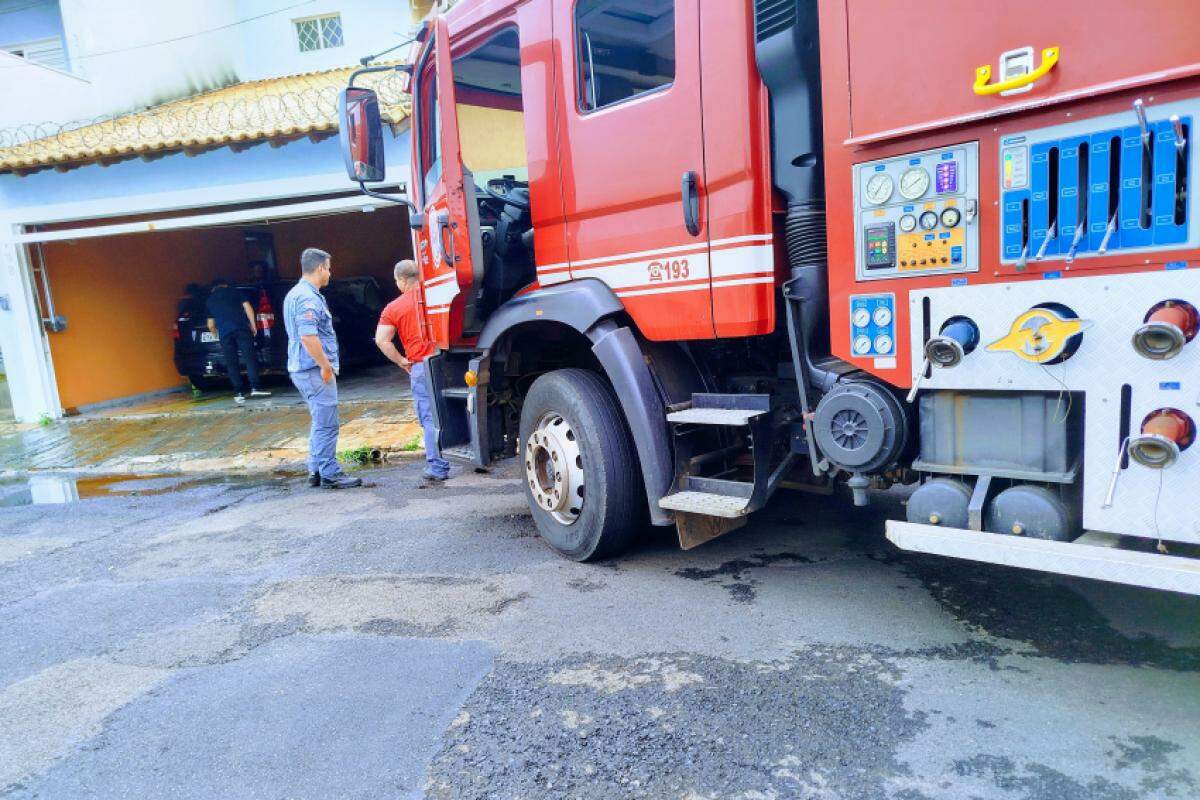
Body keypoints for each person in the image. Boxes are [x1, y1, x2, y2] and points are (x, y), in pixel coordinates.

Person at [283, 248, 362, 489]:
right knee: (327, 422)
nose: (330, 272)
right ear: (319, 268)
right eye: (328, 267)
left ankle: (315, 469)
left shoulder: (296, 294)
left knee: (320, 420)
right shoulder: (307, 297)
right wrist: (325, 366)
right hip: (312, 370)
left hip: (303, 368)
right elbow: (308, 337)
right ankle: (330, 473)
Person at [375, 259, 450, 482]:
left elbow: (382, 340)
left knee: (429, 417)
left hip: (421, 366)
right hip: (447, 361)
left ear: (402, 280)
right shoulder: (439, 297)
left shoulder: (394, 307)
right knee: (456, 410)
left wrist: (401, 360)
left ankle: (438, 467)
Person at [205, 278, 271, 405]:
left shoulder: (210, 300)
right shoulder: (235, 292)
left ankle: (239, 393)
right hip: (241, 329)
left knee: (231, 363)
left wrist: (216, 334)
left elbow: (210, 324)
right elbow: (248, 307)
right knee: (249, 358)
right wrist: (253, 324)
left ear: (213, 288)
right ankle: (255, 387)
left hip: (225, 334)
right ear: (224, 284)